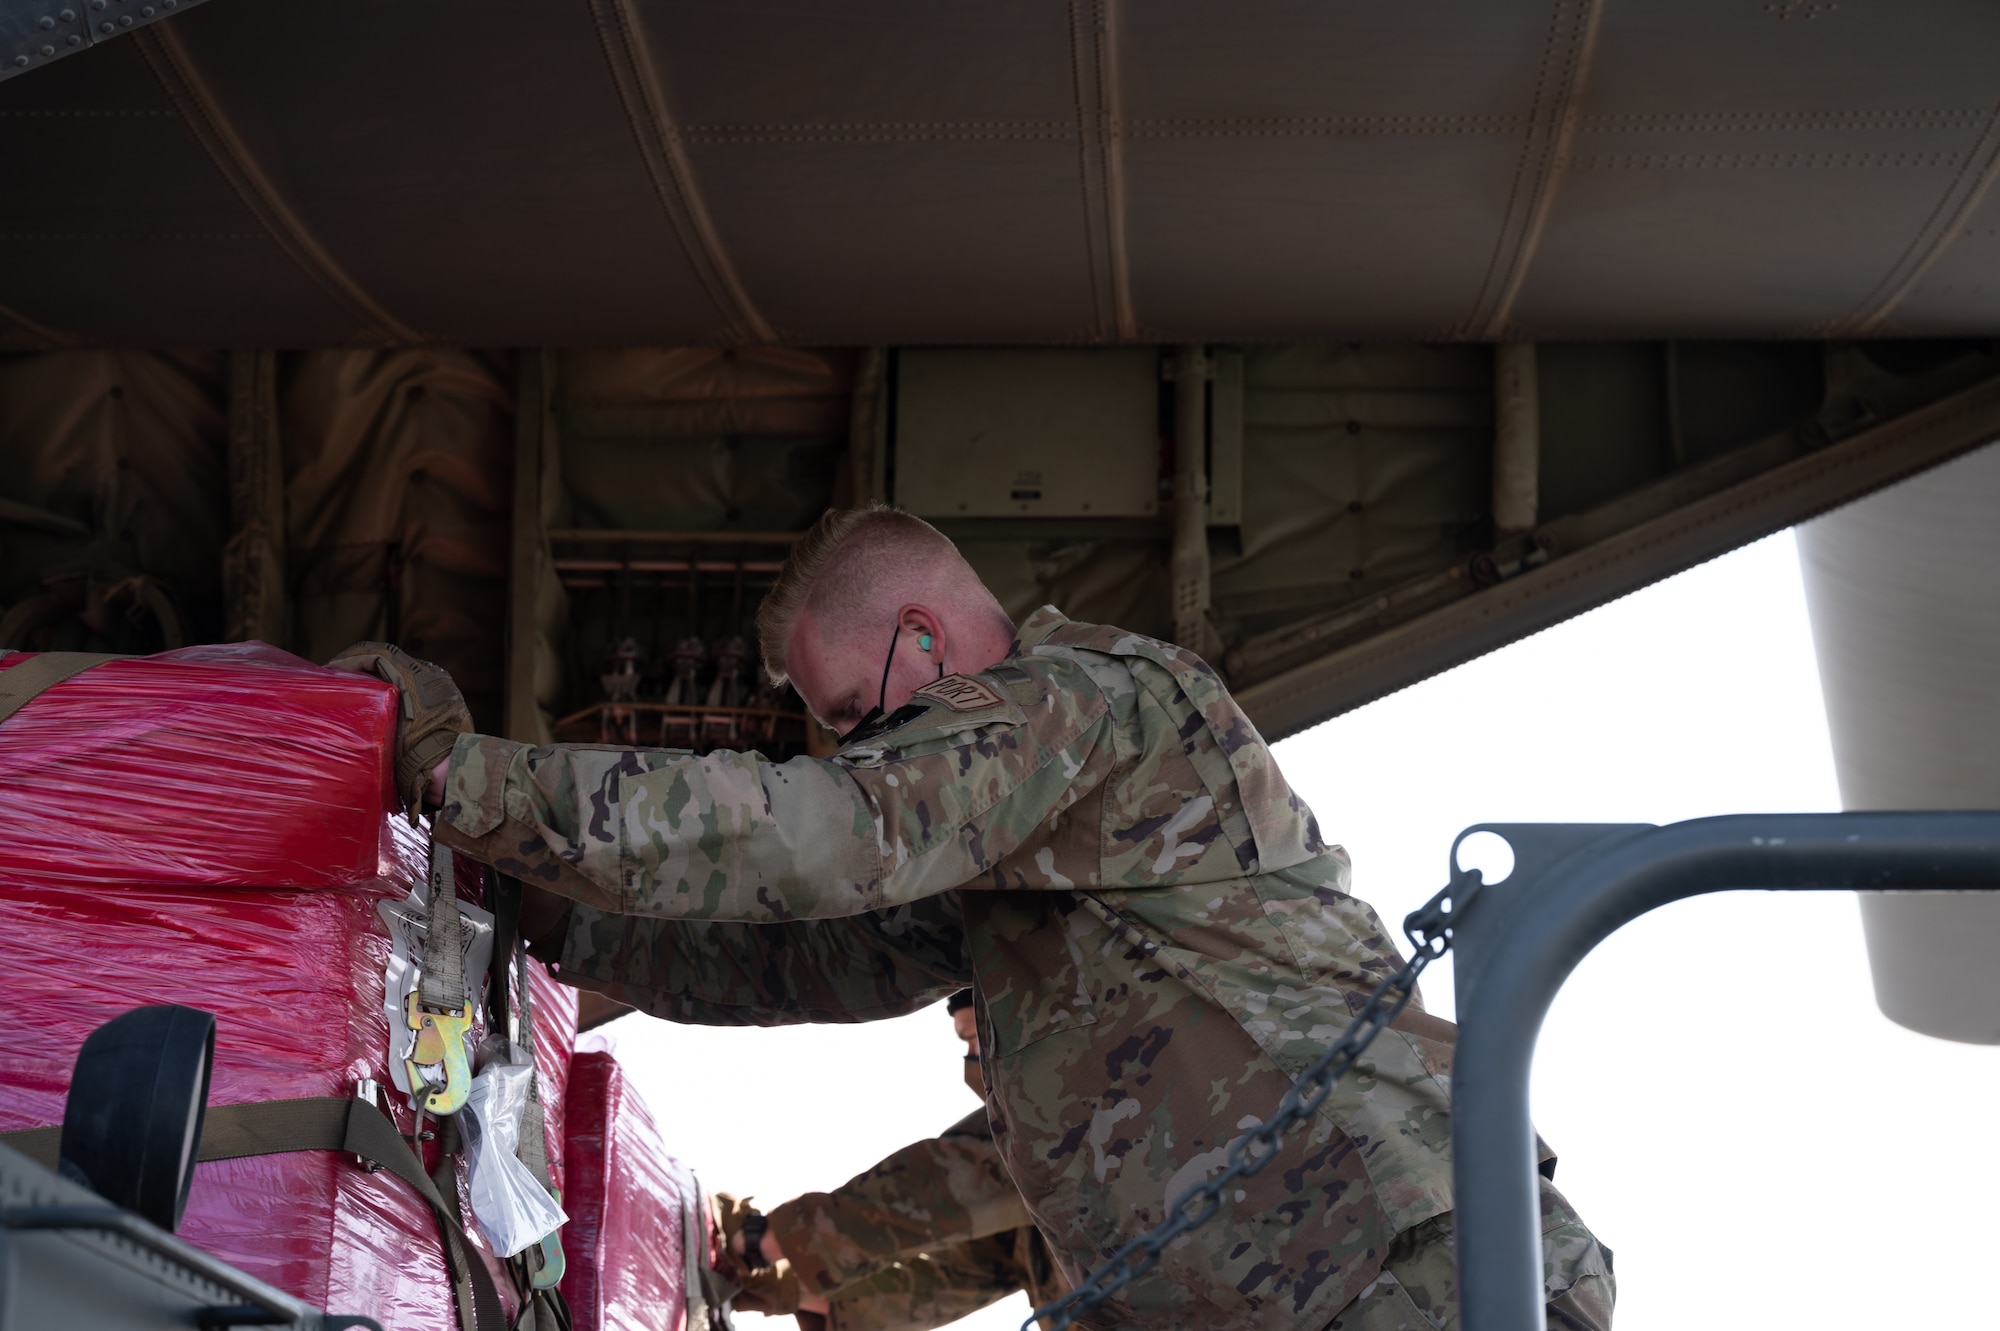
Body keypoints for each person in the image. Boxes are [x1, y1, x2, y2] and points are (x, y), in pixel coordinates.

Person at [337, 504, 1613, 1330]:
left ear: (921, 638)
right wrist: (542, 910)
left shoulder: (1088, 707)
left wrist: (468, 778)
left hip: (1397, 1265)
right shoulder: (1006, 851)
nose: (849, 744)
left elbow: (821, 835)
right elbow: (798, 960)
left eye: (847, 711)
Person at [717, 992, 1065, 1331]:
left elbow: (953, 1182)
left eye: (976, 1038)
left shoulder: (1077, 1121)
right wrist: (787, 1289)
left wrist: (770, 1240)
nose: (974, 1055)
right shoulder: (1034, 1217)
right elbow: (948, 1278)